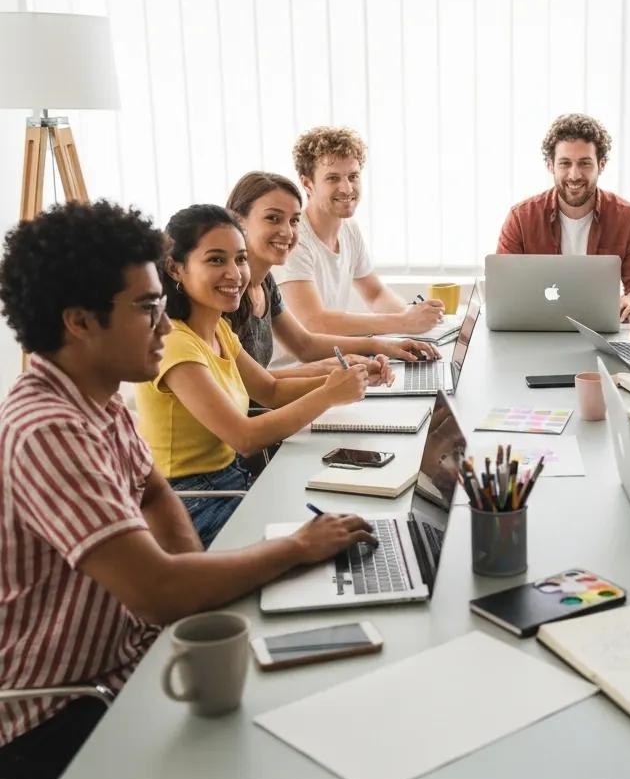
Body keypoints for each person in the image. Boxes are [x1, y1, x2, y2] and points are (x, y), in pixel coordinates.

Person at [0, 201, 376, 779]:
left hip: (118, 662)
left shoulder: (98, 397)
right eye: (146, 307)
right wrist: (293, 548)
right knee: (292, 756)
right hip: (50, 707)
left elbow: (152, 492)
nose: (164, 322)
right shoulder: (47, 429)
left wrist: (198, 576)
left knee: (311, 701)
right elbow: (158, 590)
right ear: (80, 322)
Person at [134, 204, 371, 547]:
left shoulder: (219, 331)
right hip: (189, 501)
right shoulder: (174, 343)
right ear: (175, 268)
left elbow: (271, 389)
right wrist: (329, 394)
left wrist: (351, 380)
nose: (235, 273)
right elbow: (244, 437)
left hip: (231, 479)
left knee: (340, 519)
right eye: (216, 260)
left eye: (240, 259)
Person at [225, 169, 438, 371]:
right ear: (238, 220)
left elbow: (305, 345)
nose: (287, 231)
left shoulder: (265, 283)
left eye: (294, 220)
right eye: (273, 218)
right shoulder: (227, 292)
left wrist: (381, 346)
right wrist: (332, 374)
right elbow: (256, 385)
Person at [273, 125, 447, 350]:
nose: (346, 188)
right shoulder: (294, 239)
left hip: (334, 362)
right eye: (333, 178)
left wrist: (417, 318)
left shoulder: (349, 229)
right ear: (307, 184)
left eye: (353, 176)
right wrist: (403, 322)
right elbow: (314, 322)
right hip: (296, 372)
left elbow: (375, 294)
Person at [496, 112, 630, 321]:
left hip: (601, 331)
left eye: (585, 163)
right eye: (565, 163)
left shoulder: (629, 218)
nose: (574, 175)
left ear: (601, 165)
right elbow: (504, 287)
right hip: (538, 330)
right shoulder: (521, 218)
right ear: (550, 165)